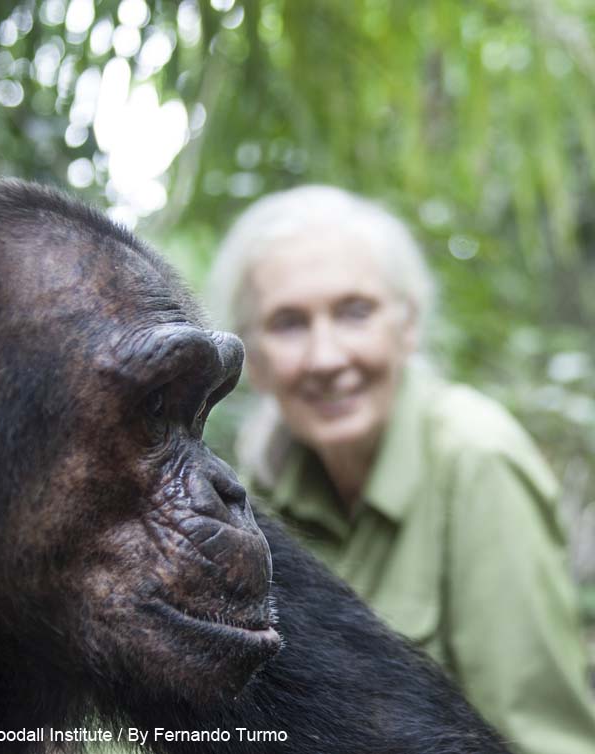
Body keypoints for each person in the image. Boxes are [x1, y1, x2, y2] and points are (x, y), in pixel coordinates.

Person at [208, 185, 595, 754]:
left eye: (355, 312)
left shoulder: (477, 461)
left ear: (407, 327)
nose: (327, 358)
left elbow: (541, 738)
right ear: (254, 360)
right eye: (289, 323)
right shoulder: (267, 478)